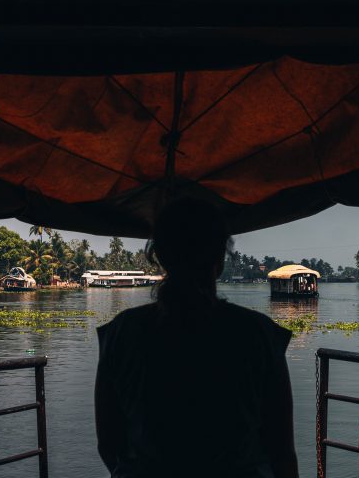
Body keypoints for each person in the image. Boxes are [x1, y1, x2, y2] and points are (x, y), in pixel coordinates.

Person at [95, 198, 299, 478]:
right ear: (220, 260)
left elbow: (108, 443)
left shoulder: (121, 332)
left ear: (161, 256)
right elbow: (282, 452)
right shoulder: (258, 333)